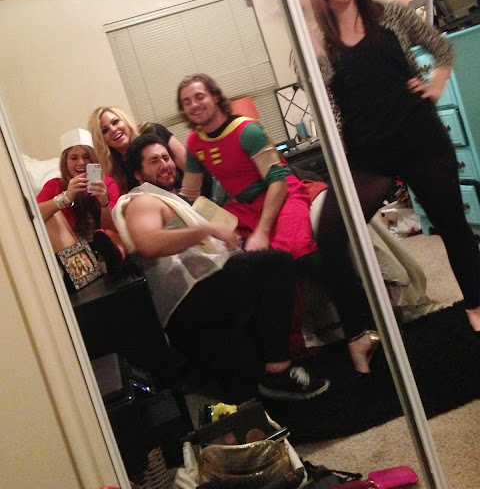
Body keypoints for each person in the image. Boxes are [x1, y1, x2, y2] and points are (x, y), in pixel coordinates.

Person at [301, 0, 480, 358]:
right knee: (330, 235)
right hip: (369, 157)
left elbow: (440, 48)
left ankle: (476, 308)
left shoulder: (391, 14)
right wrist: (308, 37)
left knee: (453, 227)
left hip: (421, 140)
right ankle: (358, 335)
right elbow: (319, 98)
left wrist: (435, 85)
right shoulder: (318, 42)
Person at [111, 132, 330, 402]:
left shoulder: (172, 199)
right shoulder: (143, 201)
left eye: (166, 158)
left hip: (201, 298)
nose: (165, 165)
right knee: (276, 262)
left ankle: (270, 368)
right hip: (189, 301)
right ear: (138, 175)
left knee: (247, 387)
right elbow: (148, 244)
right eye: (154, 161)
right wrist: (206, 229)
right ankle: (279, 368)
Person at [176, 73, 318, 260]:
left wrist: (262, 232)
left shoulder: (247, 130)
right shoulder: (194, 143)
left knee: (293, 248)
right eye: (187, 102)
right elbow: (189, 195)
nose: (194, 105)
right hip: (243, 207)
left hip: (282, 194)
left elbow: (278, 182)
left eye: (199, 97)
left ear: (215, 97)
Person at [37, 128, 119, 253]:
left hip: (104, 250)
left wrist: (104, 203)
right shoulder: (54, 185)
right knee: (52, 213)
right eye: (74, 158)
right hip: (73, 251)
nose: (81, 163)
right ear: (65, 163)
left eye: (86, 157)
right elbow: (34, 215)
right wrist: (65, 198)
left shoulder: (108, 184)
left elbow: (111, 230)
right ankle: (84, 264)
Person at [88, 106, 187, 195]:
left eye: (116, 122)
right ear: (101, 140)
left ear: (125, 122)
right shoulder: (113, 168)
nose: (113, 129)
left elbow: (188, 167)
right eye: (105, 130)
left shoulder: (153, 131)